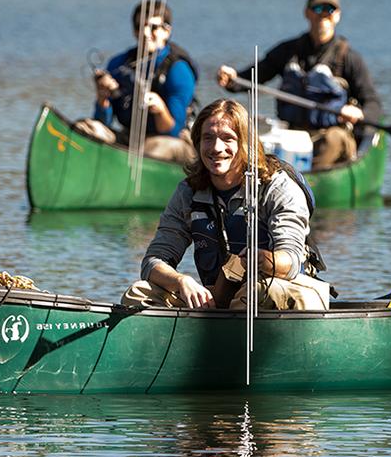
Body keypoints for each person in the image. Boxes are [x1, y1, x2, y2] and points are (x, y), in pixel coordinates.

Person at [121, 99, 330, 311]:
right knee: (139, 292)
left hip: (278, 291)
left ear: (245, 144)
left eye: (228, 139)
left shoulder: (277, 186)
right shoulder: (188, 192)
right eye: (208, 138)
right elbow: (152, 262)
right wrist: (182, 281)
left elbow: (292, 261)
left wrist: (265, 260)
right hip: (218, 299)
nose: (216, 148)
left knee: (261, 292)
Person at [216, 0, 383, 169]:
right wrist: (232, 79)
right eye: (318, 9)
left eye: (330, 10)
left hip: (330, 132)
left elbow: (372, 102)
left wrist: (360, 114)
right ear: (307, 13)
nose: (324, 16)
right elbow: (255, 76)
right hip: (292, 131)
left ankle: (306, 182)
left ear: (337, 16)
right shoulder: (288, 51)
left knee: (332, 139)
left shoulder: (349, 58)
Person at [76, 1, 199, 165]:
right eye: (139, 26)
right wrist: (102, 98)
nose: (146, 33)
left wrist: (160, 109)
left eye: (154, 27)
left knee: (150, 149)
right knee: (84, 128)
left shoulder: (179, 70)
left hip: (173, 142)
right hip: (131, 138)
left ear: (166, 31)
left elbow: (174, 131)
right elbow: (103, 122)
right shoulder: (118, 64)